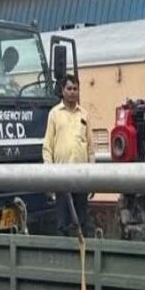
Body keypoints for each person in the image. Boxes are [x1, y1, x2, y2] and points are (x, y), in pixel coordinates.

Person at [42, 74, 95, 236]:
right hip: (61, 178)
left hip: (81, 178)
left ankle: (83, 257)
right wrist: (50, 175)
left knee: (82, 222)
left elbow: (90, 149)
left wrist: (93, 178)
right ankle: (62, 259)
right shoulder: (54, 114)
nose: (72, 92)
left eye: (75, 89)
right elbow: (47, 147)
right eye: (69, 89)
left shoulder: (84, 115)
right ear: (62, 91)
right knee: (63, 224)